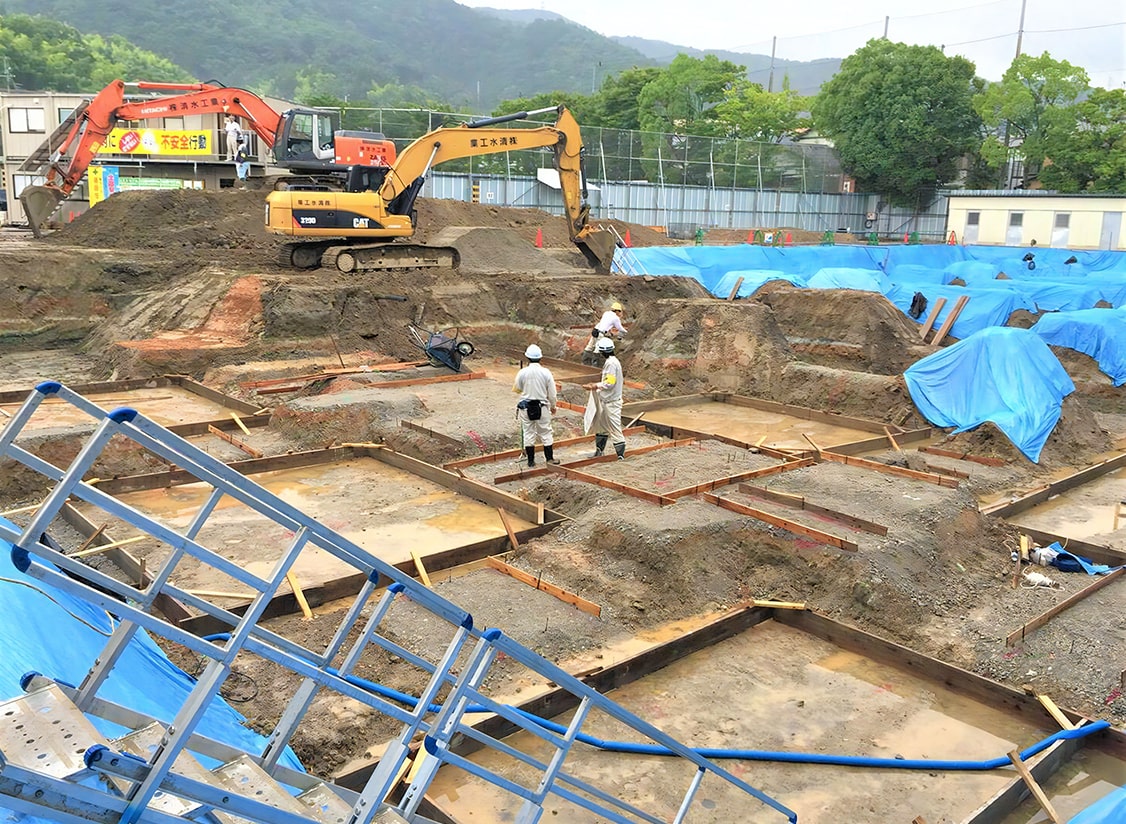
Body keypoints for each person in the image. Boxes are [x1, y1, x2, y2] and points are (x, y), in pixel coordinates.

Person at [513, 344, 559, 467]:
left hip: (526, 407)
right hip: (542, 407)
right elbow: (552, 393)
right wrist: (553, 406)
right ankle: (549, 459)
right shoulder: (546, 372)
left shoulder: (522, 372)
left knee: (528, 432)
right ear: (540, 357)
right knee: (546, 432)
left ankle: (530, 461)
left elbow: (517, 388)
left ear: (527, 357)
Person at [584, 336, 625, 460]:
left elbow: (610, 382)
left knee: (614, 428)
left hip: (612, 402)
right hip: (606, 401)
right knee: (601, 427)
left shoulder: (612, 364)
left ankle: (620, 456)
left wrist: (595, 385)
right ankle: (599, 451)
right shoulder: (611, 362)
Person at [581, 301, 627, 366]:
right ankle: (594, 367)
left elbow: (605, 323)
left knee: (589, 346)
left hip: (595, 330)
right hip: (600, 333)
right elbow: (620, 329)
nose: (620, 313)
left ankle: (585, 362)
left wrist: (610, 332)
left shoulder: (606, 313)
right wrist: (628, 332)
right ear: (617, 311)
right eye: (619, 311)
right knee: (597, 349)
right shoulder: (616, 318)